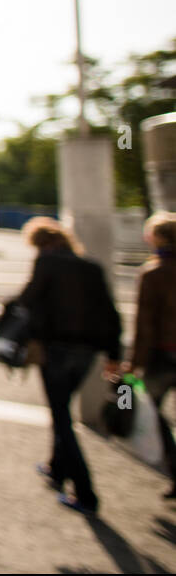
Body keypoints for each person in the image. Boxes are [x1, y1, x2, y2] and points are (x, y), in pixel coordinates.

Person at [17, 217, 121, 516]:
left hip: (56, 350)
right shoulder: (91, 267)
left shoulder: (47, 264)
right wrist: (113, 356)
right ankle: (56, 468)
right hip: (87, 353)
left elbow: (28, 300)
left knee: (61, 416)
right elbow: (110, 314)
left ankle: (85, 492)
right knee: (62, 407)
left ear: (40, 244)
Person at [128, 212, 176, 500]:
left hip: (163, 356)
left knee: (152, 414)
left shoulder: (153, 273)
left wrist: (134, 366)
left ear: (158, 238)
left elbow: (144, 325)